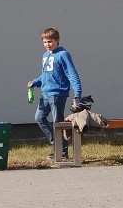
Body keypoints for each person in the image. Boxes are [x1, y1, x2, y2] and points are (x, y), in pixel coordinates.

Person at [27, 27, 83, 161]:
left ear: (57, 40)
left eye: (50, 41)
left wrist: (78, 94)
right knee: (39, 118)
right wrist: (35, 82)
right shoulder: (45, 55)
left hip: (58, 93)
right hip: (45, 93)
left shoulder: (63, 54)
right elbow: (46, 75)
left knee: (57, 122)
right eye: (45, 42)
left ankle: (62, 151)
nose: (47, 44)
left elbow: (72, 74)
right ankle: (58, 144)